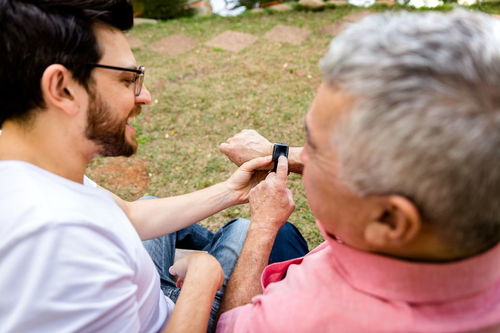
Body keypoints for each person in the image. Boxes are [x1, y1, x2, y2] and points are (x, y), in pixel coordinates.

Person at [0, 1, 305, 332]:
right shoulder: (61, 239)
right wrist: (204, 276)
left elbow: (128, 217)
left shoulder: (30, 161)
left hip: (143, 299)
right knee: (251, 232)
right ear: (62, 88)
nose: (144, 96)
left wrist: (232, 190)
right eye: (126, 79)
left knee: (149, 206)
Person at [216, 9, 500, 332]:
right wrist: (276, 154)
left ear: (388, 220)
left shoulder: (296, 318)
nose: (303, 157)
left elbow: (230, 325)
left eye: (314, 148)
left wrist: (262, 226)